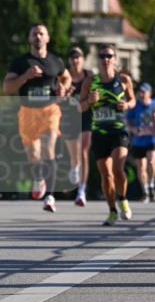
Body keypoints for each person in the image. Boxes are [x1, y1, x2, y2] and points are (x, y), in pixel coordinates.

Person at [3, 24, 71, 213]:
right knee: (34, 155)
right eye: (34, 34)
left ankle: (50, 196)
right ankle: (39, 177)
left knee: (48, 148)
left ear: (47, 38)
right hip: (28, 112)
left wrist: (63, 89)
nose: (38, 36)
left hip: (50, 110)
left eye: (41, 33)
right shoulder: (20, 62)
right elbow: (7, 88)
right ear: (29, 38)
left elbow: (67, 78)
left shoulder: (55, 61)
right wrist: (26, 76)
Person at [79, 43, 135, 225]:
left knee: (118, 168)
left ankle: (123, 199)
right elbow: (79, 107)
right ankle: (112, 211)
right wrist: (89, 100)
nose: (106, 59)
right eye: (102, 56)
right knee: (107, 175)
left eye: (109, 56)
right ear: (98, 60)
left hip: (119, 130)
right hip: (99, 132)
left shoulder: (123, 79)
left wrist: (127, 105)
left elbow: (133, 100)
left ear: (115, 59)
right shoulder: (90, 82)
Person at [61, 47, 93, 206]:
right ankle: (75, 166)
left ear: (83, 59)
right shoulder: (64, 76)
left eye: (78, 56)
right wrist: (65, 95)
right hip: (69, 117)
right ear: (69, 60)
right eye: (72, 57)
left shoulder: (90, 76)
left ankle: (82, 190)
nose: (75, 60)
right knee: (74, 156)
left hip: (86, 116)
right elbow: (58, 98)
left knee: (84, 151)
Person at [127, 82, 155, 202]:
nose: (142, 94)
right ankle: (145, 191)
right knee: (141, 166)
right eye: (140, 92)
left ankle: (151, 185)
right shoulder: (135, 106)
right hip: (138, 141)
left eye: (144, 92)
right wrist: (134, 130)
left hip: (152, 139)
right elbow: (128, 122)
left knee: (151, 161)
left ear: (150, 93)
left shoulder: (153, 105)